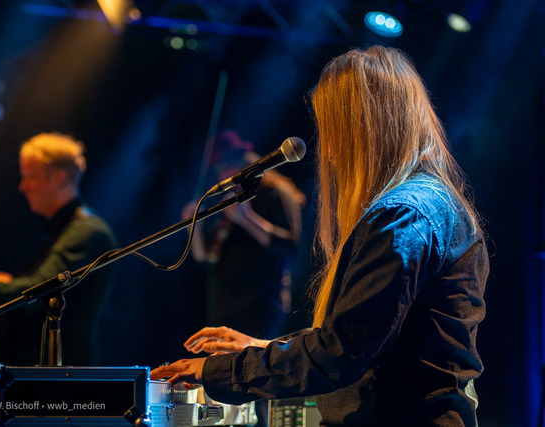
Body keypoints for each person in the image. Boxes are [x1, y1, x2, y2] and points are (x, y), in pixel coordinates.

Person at [151, 46, 489, 426]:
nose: (328, 152)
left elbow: (339, 354)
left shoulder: (402, 214)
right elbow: (364, 340)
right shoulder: (427, 204)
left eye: (331, 130)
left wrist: (217, 371)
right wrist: (262, 347)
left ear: (360, 129)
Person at [0, 132, 117, 368]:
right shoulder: (65, 230)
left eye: (30, 177)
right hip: (44, 373)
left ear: (59, 177)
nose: (23, 187)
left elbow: (39, 290)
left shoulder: (88, 232)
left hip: (61, 379)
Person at [183, 130, 306, 339]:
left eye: (226, 167)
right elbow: (206, 258)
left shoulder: (276, 192)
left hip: (260, 303)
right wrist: (192, 228)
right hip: (225, 304)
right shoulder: (229, 200)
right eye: (218, 170)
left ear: (244, 162)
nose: (222, 176)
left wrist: (246, 219)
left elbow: (289, 246)